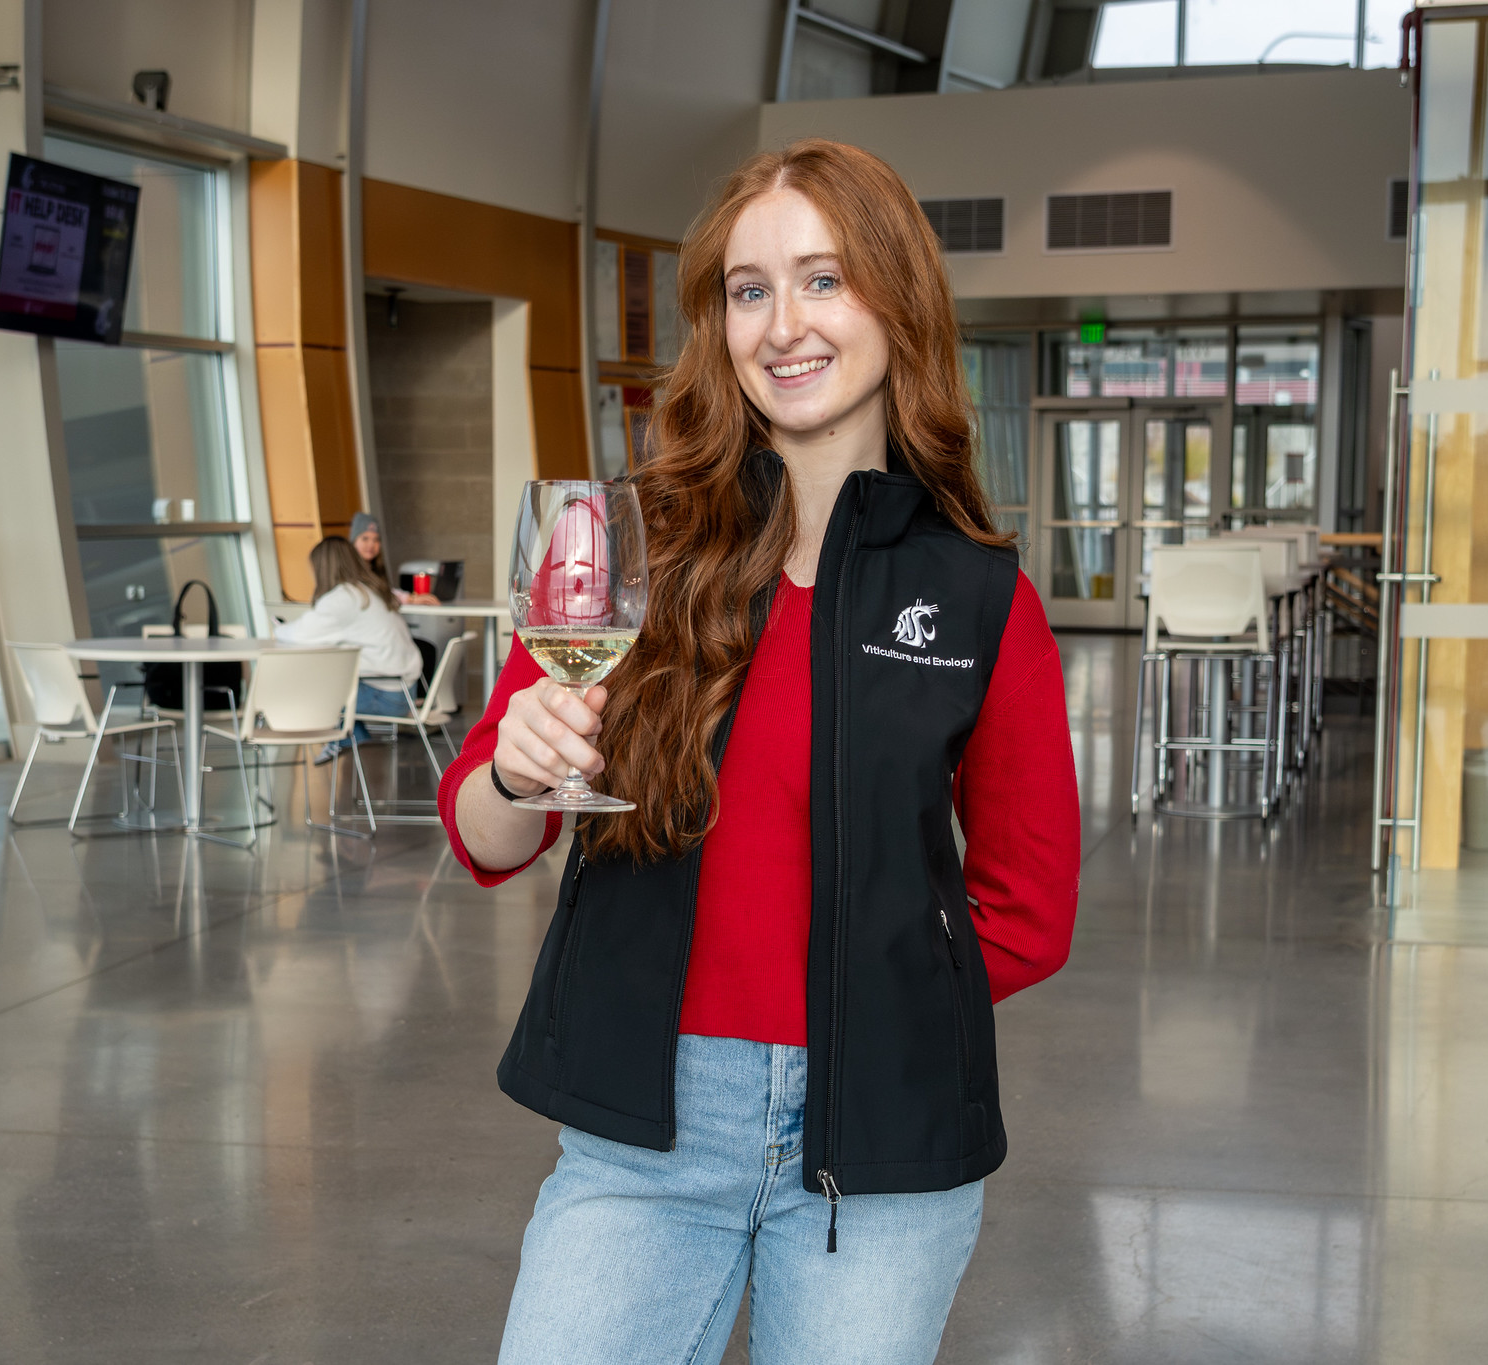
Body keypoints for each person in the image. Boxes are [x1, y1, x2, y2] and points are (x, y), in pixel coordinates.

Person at [437, 139, 1081, 1364]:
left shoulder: (979, 595)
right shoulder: (620, 544)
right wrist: (515, 773)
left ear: (897, 303)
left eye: (823, 279)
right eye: (748, 289)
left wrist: (866, 1005)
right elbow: (481, 829)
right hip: (639, 1138)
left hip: (878, 1152)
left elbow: (1028, 910)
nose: (782, 323)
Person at [274, 535, 423, 757]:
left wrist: (276, 628)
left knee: (308, 691)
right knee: (330, 679)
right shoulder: (369, 590)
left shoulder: (343, 597)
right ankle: (354, 739)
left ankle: (346, 739)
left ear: (322, 567)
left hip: (385, 696)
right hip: (404, 689)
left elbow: (301, 633)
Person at [349, 511, 440, 606]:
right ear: (353, 541)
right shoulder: (350, 570)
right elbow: (374, 594)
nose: (371, 544)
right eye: (365, 538)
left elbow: (386, 591)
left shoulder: (376, 568)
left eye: (376, 539)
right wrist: (410, 599)